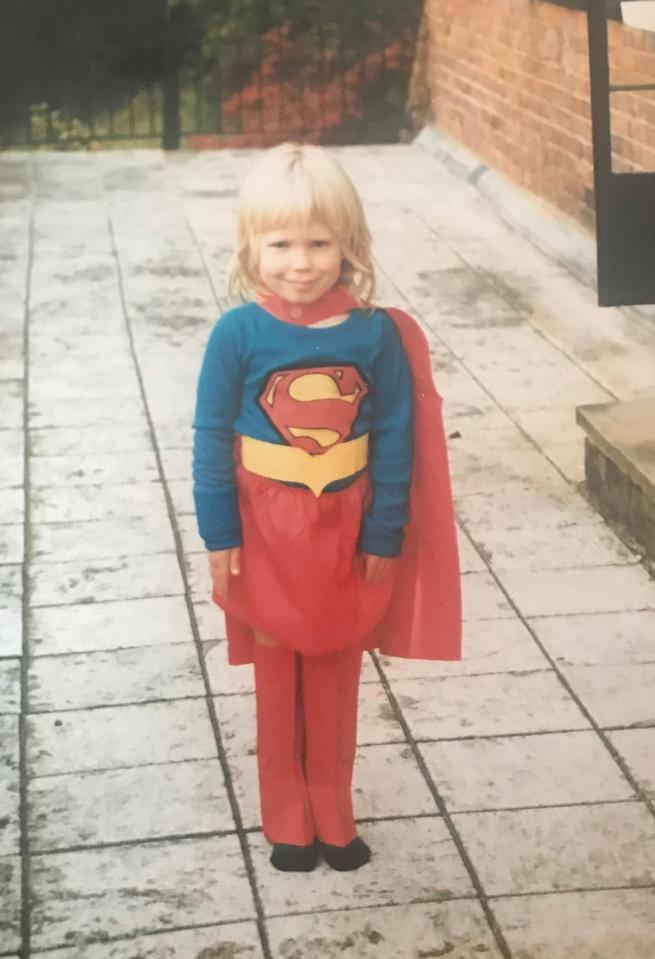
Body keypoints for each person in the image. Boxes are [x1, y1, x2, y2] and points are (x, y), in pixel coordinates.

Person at [192, 143, 461, 873]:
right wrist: (217, 528)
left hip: (345, 529)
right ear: (251, 246)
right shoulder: (236, 334)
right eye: (280, 243)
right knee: (279, 675)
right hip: (265, 533)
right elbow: (211, 434)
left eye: (319, 242)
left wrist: (386, 528)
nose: (301, 261)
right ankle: (287, 815)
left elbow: (398, 436)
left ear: (349, 244)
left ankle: (332, 810)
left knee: (337, 669)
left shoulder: (374, 334)